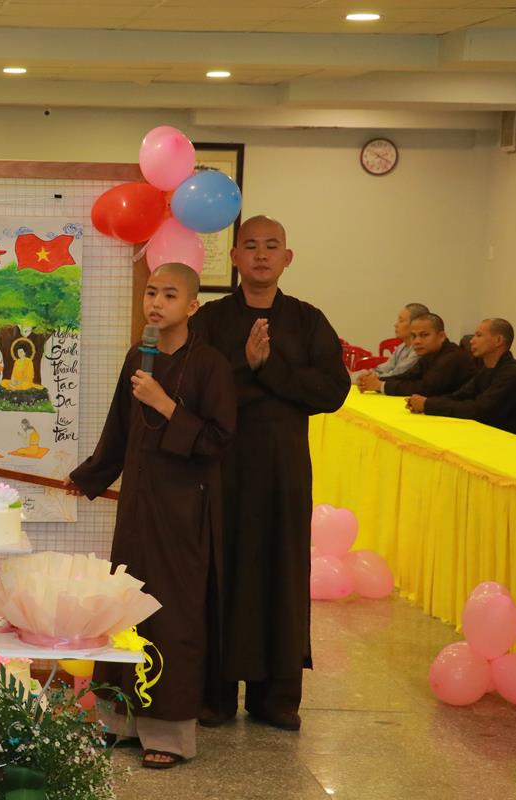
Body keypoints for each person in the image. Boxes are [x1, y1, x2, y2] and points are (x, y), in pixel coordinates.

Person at [65, 262, 235, 768]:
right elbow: (119, 429)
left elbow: (217, 441)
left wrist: (165, 404)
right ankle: (118, 723)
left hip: (184, 512)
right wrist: (91, 476)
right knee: (124, 608)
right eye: (151, 293)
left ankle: (167, 734)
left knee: (171, 616)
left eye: (169, 295)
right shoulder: (137, 357)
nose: (156, 303)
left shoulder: (211, 365)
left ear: (193, 306)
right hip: (138, 509)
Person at [190, 215, 349, 731]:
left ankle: (275, 697)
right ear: (235, 257)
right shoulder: (211, 320)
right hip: (224, 464)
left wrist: (267, 369)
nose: (261, 255)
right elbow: (194, 386)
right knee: (220, 572)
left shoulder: (308, 320)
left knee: (282, 571)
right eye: (251, 246)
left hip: (283, 469)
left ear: (287, 258)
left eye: (272, 246)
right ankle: (214, 694)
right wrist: (248, 366)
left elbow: (332, 391)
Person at [408, 318, 516, 435]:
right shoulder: (486, 370)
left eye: (479, 335)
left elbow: (480, 410)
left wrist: (429, 405)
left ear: (498, 340)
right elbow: (459, 396)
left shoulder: (512, 374)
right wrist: (426, 402)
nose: (472, 341)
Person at [358, 314, 475, 398]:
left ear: (441, 336)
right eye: (414, 336)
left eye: (424, 335)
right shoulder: (429, 354)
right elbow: (407, 377)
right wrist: (373, 381)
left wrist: (380, 386)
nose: (417, 341)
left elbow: (424, 389)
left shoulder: (453, 357)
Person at [355, 303, 428, 381]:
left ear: (415, 324)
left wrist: (369, 378)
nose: (396, 325)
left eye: (401, 321)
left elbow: (397, 375)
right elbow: (386, 367)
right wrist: (368, 374)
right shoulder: (402, 347)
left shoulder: (419, 350)